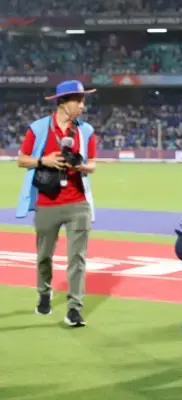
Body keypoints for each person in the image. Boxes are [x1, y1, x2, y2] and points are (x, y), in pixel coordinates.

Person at [16, 80, 98, 328]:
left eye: (83, 100)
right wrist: (45, 160)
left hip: (78, 203)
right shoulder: (38, 128)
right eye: (78, 100)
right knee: (44, 256)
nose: (82, 105)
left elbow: (93, 164)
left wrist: (80, 166)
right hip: (47, 202)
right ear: (63, 102)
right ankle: (44, 293)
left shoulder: (86, 131)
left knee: (77, 258)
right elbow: (21, 160)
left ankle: (74, 309)